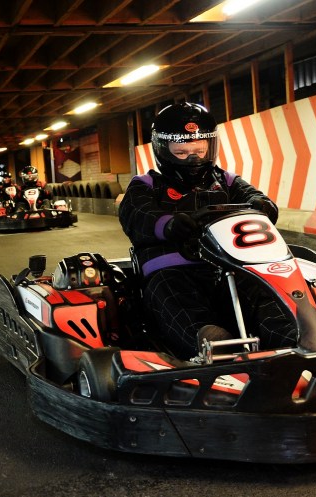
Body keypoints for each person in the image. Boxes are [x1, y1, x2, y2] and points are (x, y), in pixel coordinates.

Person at [118, 102, 289, 359]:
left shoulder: (227, 181)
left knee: (261, 289)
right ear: (163, 150)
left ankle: (290, 332)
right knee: (171, 292)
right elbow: (137, 215)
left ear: (211, 146)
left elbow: (255, 197)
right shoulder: (146, 185)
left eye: (199, 149)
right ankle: (213, 344)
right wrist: (170, 225)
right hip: (173, 269)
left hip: (230, 267)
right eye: (182, 151)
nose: (193, 158)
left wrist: (262, 205)